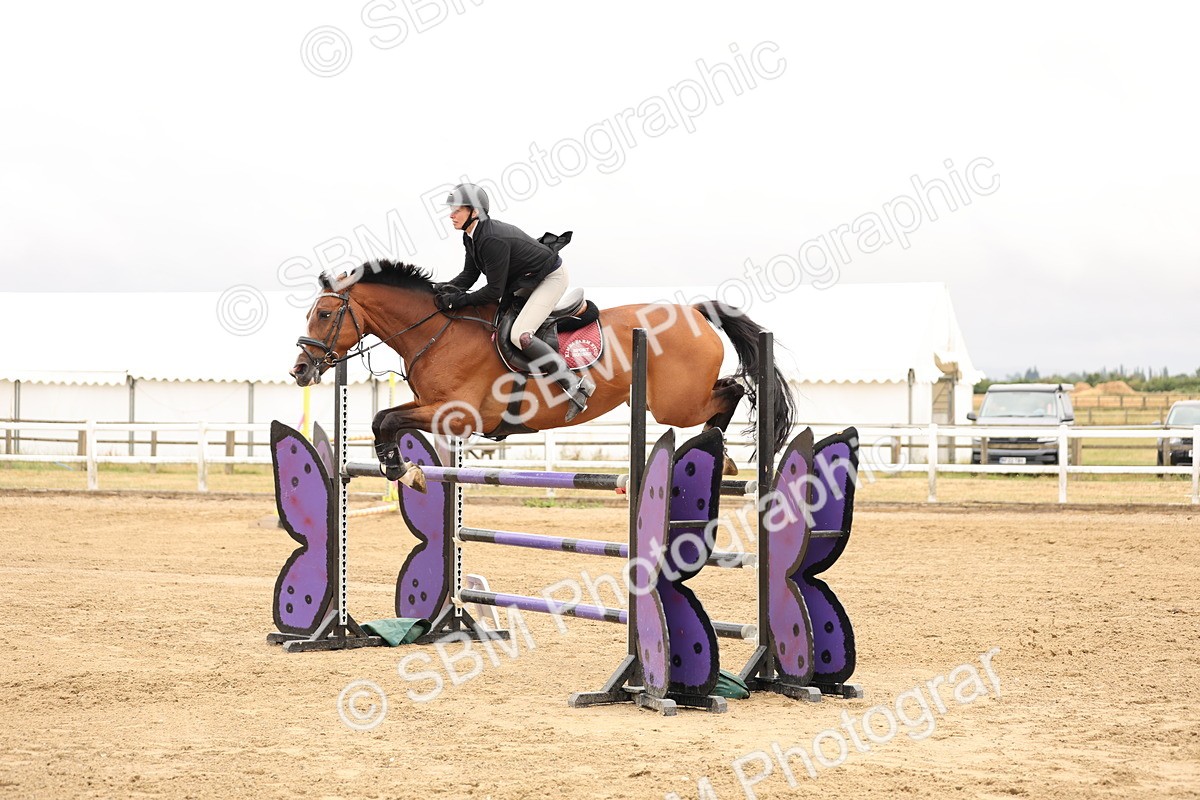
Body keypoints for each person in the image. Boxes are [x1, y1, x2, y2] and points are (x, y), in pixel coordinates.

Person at [435, 183, 594, 421]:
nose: (451, 214)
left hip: (550, 278)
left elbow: (493, 290)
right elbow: (468, 276)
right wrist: (439, 290)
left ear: (475, 212)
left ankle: (575, 386)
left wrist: (456, 301)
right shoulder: (471, 237)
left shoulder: (490, 239)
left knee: (520, 335)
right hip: (524, 281)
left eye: (457, 209)